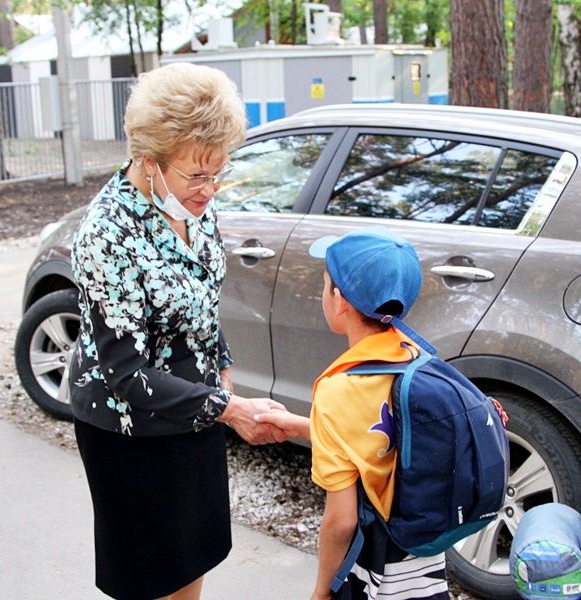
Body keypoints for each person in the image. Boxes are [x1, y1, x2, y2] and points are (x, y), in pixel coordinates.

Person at [68, 62, 285, 600]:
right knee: (150, 576)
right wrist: (230, 409)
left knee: (192, 555)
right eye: (197, 175)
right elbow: (126, 375)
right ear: (149, 161)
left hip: (195, 409)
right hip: (130, 433)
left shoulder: (192, 201)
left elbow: (201, 302)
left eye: (219, 172)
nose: (211, 189)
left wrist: (224, 367)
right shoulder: (106, 234)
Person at [256, 228, 450, 600]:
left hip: (374, 562)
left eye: (325, 284)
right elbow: (377, 439)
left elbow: (341, 521)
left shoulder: (338, 388)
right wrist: (301, 426)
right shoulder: (415, 356)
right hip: (423, 557)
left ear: (339, 300)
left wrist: (321, 589)